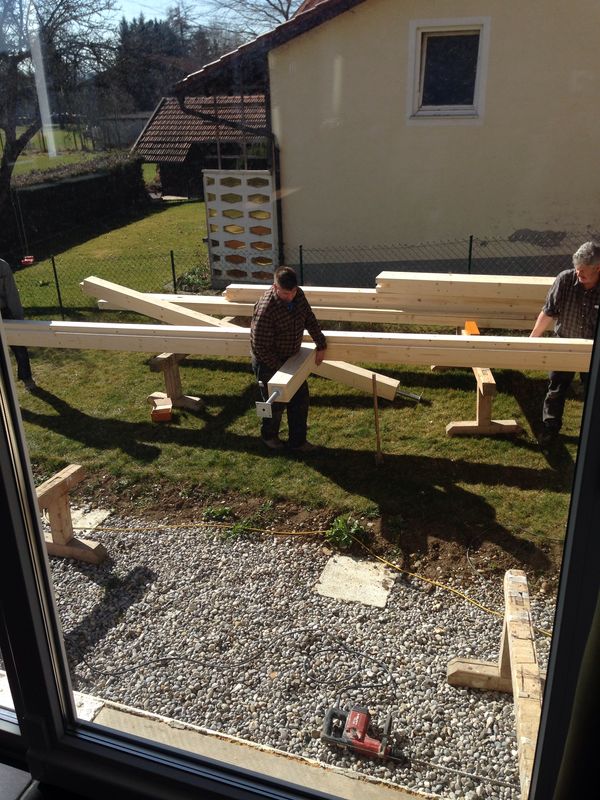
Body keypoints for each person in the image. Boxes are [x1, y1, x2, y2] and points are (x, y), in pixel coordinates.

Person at [529, 241, 600, 446]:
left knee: (594, 391)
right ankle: (550, 428)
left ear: (598, 268)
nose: (578, 273)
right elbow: (548, 311)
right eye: (577, 269)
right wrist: (533, 340)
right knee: (556, 389)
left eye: (583, 270)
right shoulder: (565, 279)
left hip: (593, 348)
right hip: (564, 342)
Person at [250, 266, 327, 452]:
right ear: (275, 287)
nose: (290, 296)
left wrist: (321, 344)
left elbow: (309, 318)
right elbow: (260, 347)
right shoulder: (266, 309)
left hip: (291, 358)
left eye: (293, 292)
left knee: (300, 399)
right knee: (275, 402)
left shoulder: (297, 295)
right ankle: (269, 437)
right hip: (268, 361)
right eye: (285, 293)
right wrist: (282, 369)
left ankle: (298, 442)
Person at [0, 257, 36, 391]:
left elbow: (11, 293)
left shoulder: (2, 266)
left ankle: (27, 379)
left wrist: (18, 317)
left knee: (19, 347)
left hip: (5, 312)